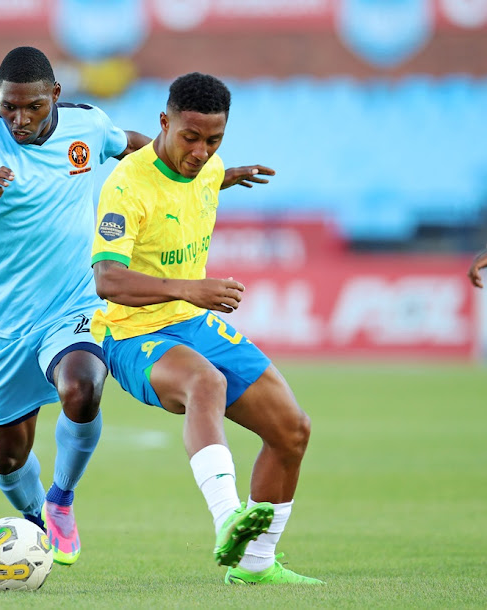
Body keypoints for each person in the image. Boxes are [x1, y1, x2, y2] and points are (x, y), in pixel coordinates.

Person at [0, 46, 149, 566]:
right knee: (9, 454)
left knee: (83, 384)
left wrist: (199, 172)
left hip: (73, 306)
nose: (19, 119)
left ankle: (61, 497)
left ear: (55, 95)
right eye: (9, 105)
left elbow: (138, 148)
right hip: (5, 326)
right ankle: (36, 519)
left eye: (32, 106)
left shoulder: (88, 126)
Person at [90, 72, 323, 585]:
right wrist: (188, 288)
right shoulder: (126, 185)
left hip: (192, 323)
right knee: (206, 383)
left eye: (213, 140)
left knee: (292, 430)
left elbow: (201, 177)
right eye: (190, 138)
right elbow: (107, 279)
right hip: (131, 331)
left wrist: (229, 171)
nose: (200, 152)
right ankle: (226, 520)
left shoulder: (208, 165)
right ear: (164, 122)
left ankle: (256, 564)